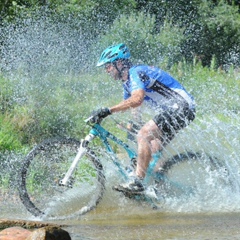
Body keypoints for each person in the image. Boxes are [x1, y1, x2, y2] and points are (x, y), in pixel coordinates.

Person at [89, 43, 195, 194]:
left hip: (181, 107)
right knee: (152, 152)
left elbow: (137, 99)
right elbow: (133, 106)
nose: (107, 71)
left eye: (108, 67)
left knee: (144, 134)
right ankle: (161, 189)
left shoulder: (136, 72)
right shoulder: (127, 83)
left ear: (119, 63)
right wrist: (132, 124)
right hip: (174, 111)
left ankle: (137, 182)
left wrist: (108, 110)